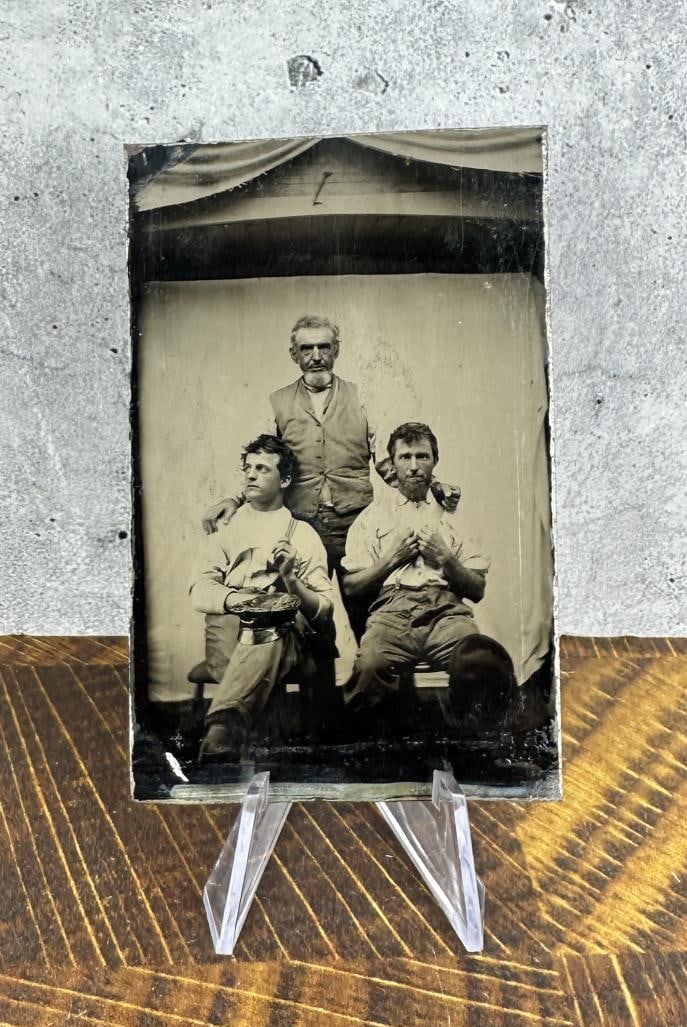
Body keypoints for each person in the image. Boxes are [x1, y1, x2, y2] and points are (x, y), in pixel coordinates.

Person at [201, 315, 460, 639]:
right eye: (306, 349)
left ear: (336, 350)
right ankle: (321, 690)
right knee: (307, 618)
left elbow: (388, 464)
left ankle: (382, 684)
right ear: (294, 354)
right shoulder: (276, 403)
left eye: (324, 347)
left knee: (374, 614)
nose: (316, 356)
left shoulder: (361, 397)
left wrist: (433, 485)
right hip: (301, 525)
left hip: (355, 522)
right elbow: (263, 460)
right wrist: (235, 498)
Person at [341, 422, 514, 725]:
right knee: (370, 665)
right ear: (391, 465)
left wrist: (446, 559)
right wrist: (391, 559)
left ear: (435, 460)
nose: (414, 467)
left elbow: (477, 589)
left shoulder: (456, 515)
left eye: (422, 457)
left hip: (447, 613)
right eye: (405, 457)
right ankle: (377, 754)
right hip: (392, 613)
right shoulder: (372, 517)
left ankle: (474, 748)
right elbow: (351, 585)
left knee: (482, 661)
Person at [190, 434, 333, 762]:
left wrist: (291, 580)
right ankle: (258, 749)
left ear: (284, 480)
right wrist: (238, 601)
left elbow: (325, 608)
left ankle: (222, 731)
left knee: (271, 625)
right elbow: (199, 589)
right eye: (247, 468)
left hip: (282, 635)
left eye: (262, 469)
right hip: (226, 632)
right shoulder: (226, 529)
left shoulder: (302, 534)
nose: (250, 475)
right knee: (258, 645)